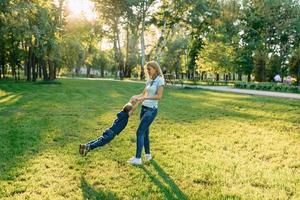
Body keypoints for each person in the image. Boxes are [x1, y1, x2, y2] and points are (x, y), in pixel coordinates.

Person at [128, 61, 165, 165]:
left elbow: (159, 96)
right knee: (145, 133)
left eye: (149, 69)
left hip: (151, 110)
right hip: (144, 109)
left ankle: (138, 158)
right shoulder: (149, 81)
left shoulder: (160, 80)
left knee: (139, 132)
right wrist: (135, 97)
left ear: (155, 69)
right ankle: (148, 155)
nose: (147, 71)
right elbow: (143, 94)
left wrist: (145, 97)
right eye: (147, 69)